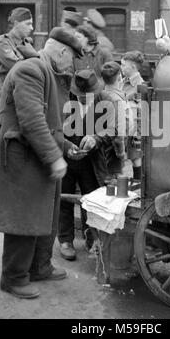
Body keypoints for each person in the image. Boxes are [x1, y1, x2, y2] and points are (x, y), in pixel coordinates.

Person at [0, 27, 83, 300]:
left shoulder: (45, 70)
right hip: (21, 158)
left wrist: (66, 148)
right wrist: (54, 157)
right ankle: (13, 278)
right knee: (22, 220)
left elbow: (47, 124)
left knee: (44, 215)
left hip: (34, 155)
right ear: (62, 51)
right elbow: (32, 121)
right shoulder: (31, 70)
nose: (72, 65)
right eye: (72, 58)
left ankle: (39, 267)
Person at [58, 69, 115, 261]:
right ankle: (65, 240)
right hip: (66, 159)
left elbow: (112, 129)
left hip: (92, 161)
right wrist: (66, 146)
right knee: (64, 199)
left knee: (91, 201)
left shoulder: (104, 100)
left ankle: (92, 238)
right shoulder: (65, 100)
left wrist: (96, 138)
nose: (83, 99)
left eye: (87, 96)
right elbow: (54, 127)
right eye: (81, 96)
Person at [0, 7, 38, 108]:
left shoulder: (26, 43)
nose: (31, 28)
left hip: (26, 96)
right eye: (28, 24)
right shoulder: (3, 42)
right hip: (8, 97)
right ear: (16, 24)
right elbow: (19, 67)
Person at [120, 51, 145, 180]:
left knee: (136, 159)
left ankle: (138, 185)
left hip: (133, 130)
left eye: (124, 65)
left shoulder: (140, 86)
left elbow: (141, 113)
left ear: (133, 67)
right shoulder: (122, 81)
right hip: (121, 127)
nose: (121, 67)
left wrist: (138, 135)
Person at [100, 61, 127, 177]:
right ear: (120, 77)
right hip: (113, 155)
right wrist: (121, 154)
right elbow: (119, 134)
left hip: (99, 151)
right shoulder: (117, 100)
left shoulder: (98, 96)